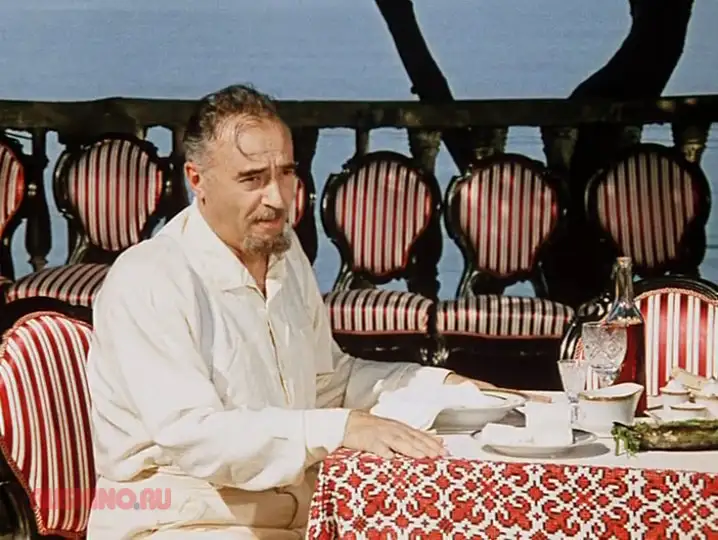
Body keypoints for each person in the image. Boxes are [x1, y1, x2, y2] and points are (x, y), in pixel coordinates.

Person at [86, 83, 492, 539]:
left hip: (294, 515)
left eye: (285, 174)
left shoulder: (283, 252)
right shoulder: (150, 277)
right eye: (252, 179)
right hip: (175, 519)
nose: (278, 199)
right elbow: (195, 436)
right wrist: (339, 428)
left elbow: (328, 383)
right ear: (196, 180)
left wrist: (445, 387)